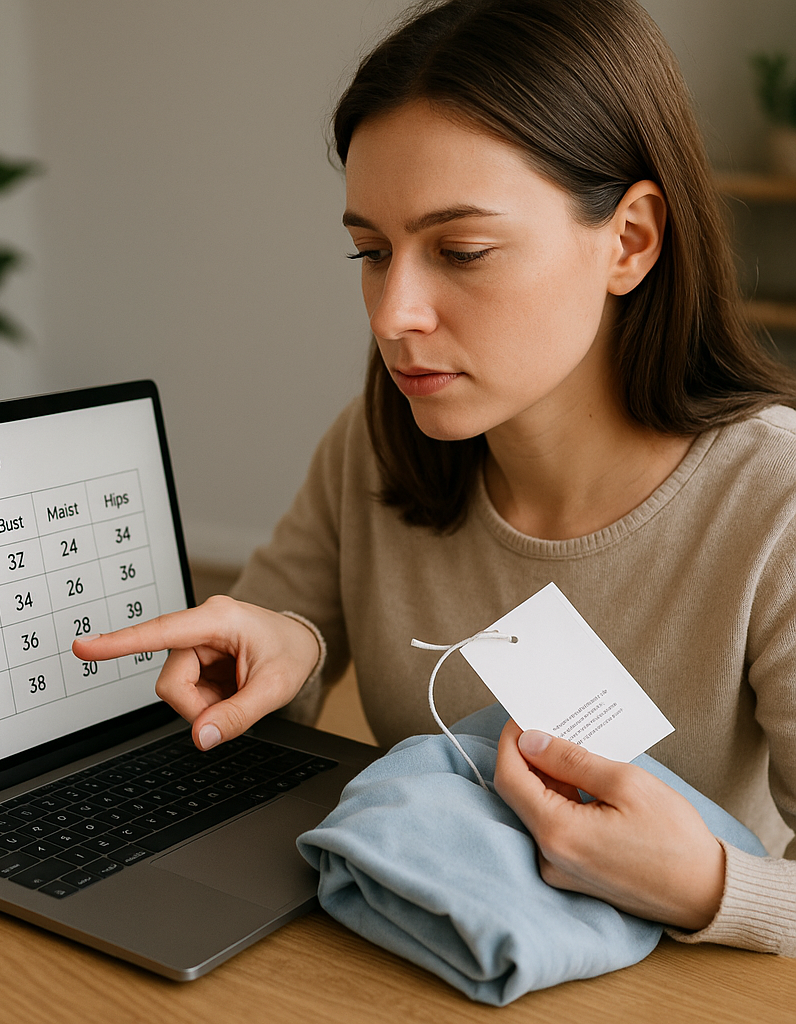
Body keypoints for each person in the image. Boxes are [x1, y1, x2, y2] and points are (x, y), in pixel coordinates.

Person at [75, 0, 796, 955]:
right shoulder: (376, 444)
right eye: (370, 253)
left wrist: (708, 885)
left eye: (461, 252)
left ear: (629, 241)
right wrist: (278, 655)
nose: (394, 312)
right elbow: (254, 689)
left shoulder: (773, 500)